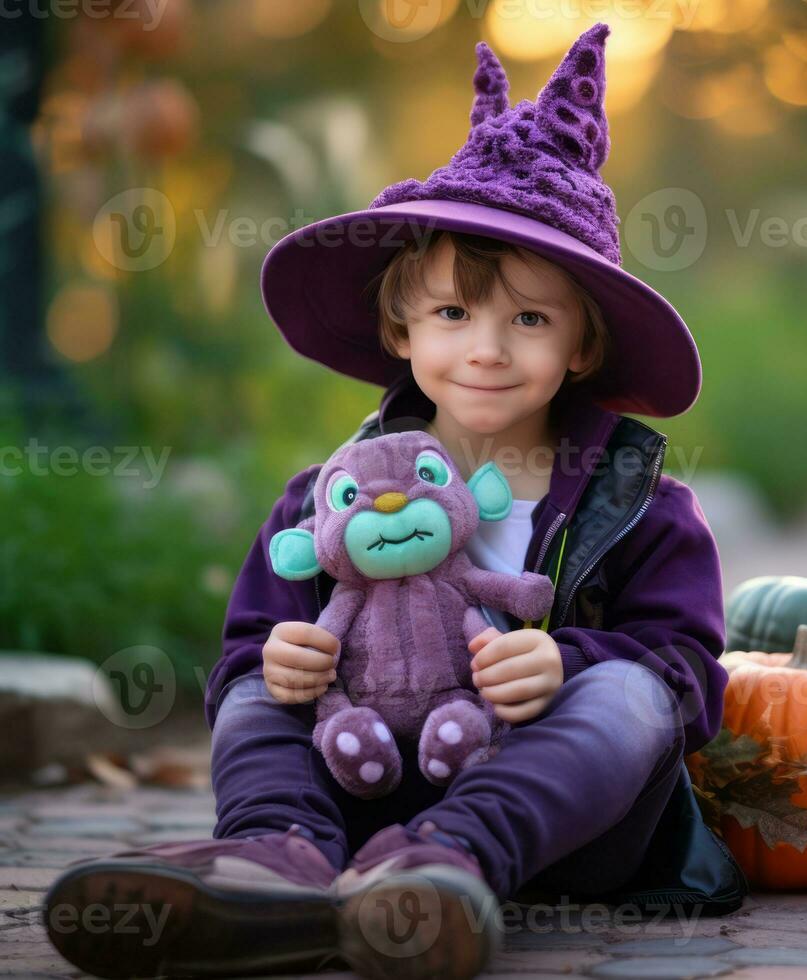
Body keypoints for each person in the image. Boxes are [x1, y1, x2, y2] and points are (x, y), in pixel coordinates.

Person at [43, 22, 746, 980]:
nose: (488, 349)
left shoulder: (643, 509)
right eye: (454, 314)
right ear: (402, 330)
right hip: (351, 784)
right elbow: (252, 646)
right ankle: (274, 858)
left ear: (582, 346)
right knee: (254, 692)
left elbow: (689, 676)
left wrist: (567, 657)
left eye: (529, 319)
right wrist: (279, 657)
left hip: (547, 825)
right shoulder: (326, 497)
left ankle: (444, 868)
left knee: (629, 694)